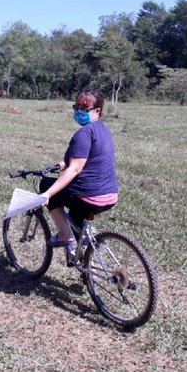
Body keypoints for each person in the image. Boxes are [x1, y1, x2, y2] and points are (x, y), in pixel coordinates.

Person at [39, 90, 118, 253]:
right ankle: (85, 262)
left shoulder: (83, 134)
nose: (79, 111)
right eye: (77, 106)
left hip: (90, 196)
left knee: (47, 184)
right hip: (110, 195)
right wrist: (63, 163)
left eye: (85, 108)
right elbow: (89, 157)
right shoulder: (103, 130)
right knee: (75, 215)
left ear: (97, 111)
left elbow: (75, 169)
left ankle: (65, 236)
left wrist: (47, 194)